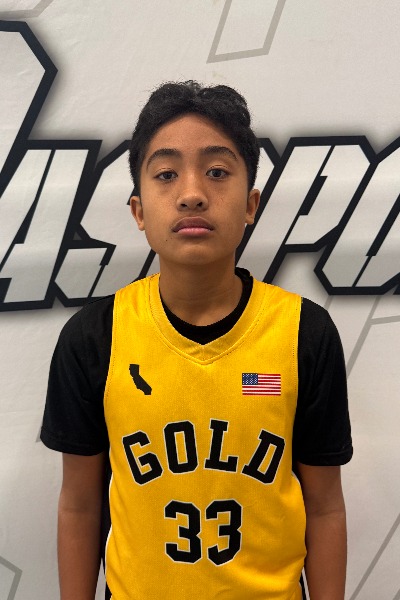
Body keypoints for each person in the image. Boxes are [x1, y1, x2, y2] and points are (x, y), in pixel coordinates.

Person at [41, 81, 352, 600]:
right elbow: (79, 504)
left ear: (250, 204)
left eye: (217, 171)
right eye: (166, 174)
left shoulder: (305, 333)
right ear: (139, 211)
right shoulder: (95, 337)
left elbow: (324, 507)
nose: (192, 193)